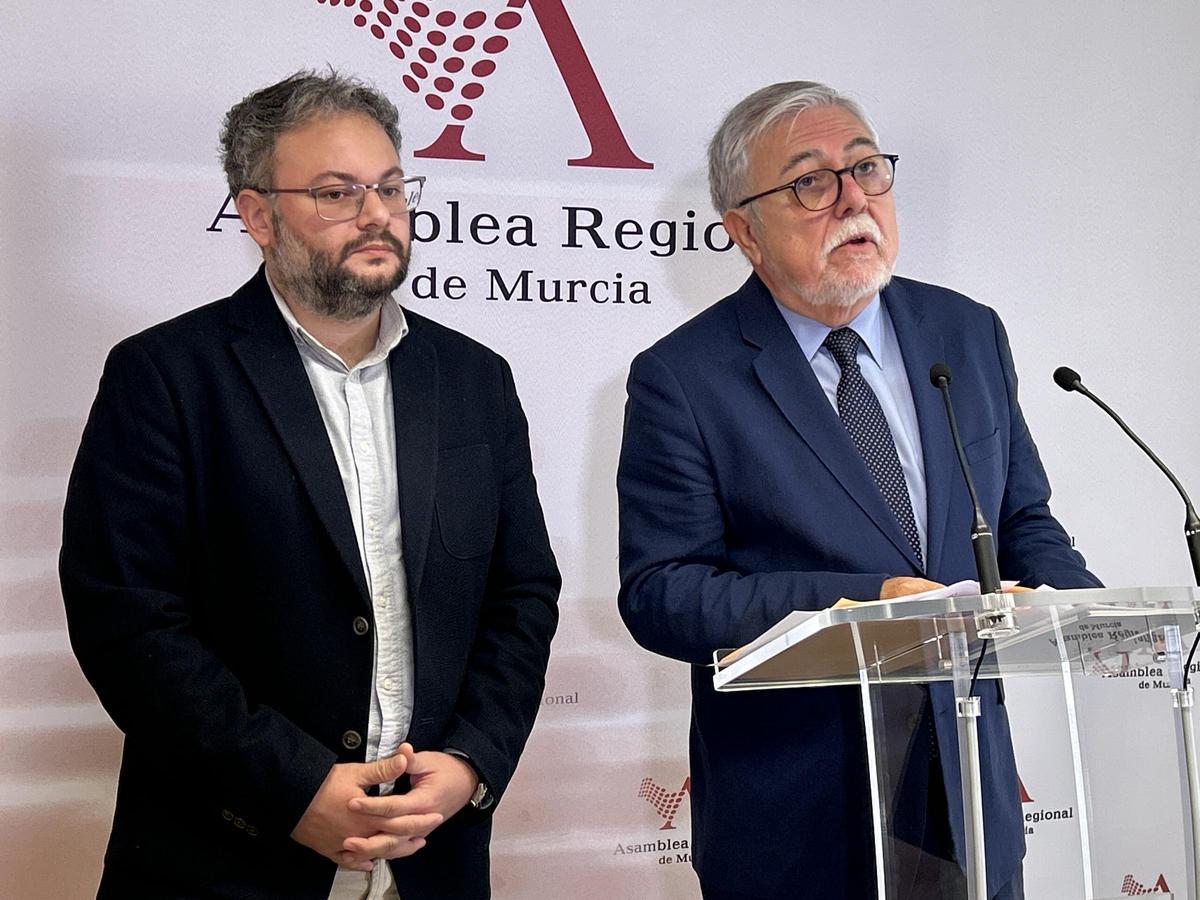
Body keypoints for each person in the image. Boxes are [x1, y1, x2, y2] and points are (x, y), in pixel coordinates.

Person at [59, 70, 560, 900]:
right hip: (227, 857)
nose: (377, 214)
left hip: (433, 856)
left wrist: (473, 760)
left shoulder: (474, 379)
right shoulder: (166, 376)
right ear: (257, 215)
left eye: (391, 187)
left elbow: (522, 593)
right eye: (337, 192)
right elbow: (128, 620)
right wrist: (292, 787)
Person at [616, 81, 1101, 900]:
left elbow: (1019, 518)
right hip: (797, 818)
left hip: (968, 803)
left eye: (867, 168)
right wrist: (870, 603)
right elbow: (664, 594)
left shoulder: (967, 332)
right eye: (810, 181)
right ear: (744, 231)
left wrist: (1072, 608)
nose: (852, 198)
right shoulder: (684, 378)